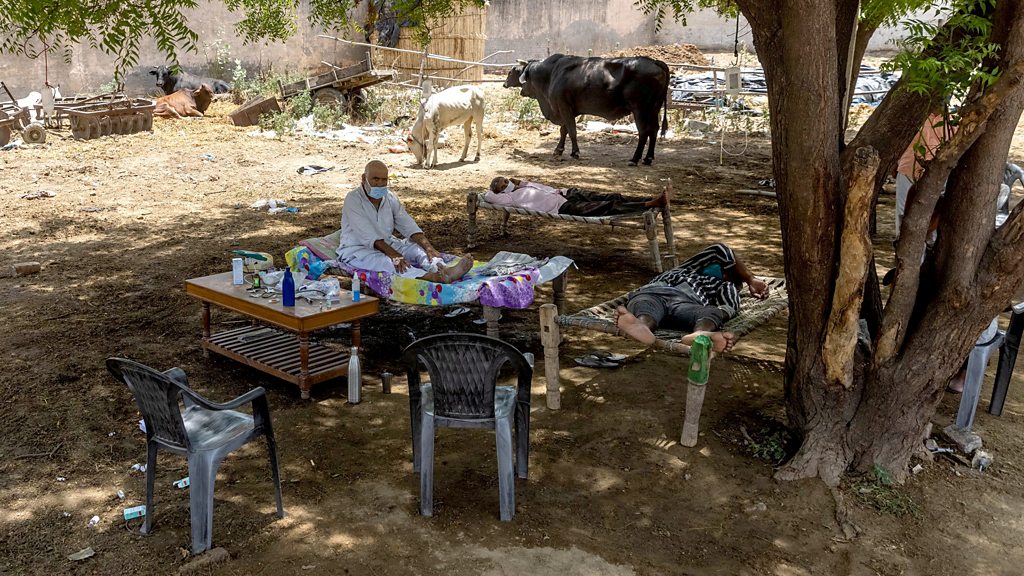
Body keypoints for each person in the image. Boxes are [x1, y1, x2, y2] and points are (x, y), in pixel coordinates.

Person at [614, 244, 769, 353]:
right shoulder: (685, 269)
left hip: (686, 304)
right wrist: (750, 278)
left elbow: (730, 306)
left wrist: (719, 313)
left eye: (725, 271)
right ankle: (641, 326)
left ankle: (700, 335)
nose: (719, 268)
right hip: (654, 293)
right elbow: (720, 249)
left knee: (711, 312)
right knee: (645, 306)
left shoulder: (722, 285)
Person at [338, 160, 473, 282]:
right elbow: (367, 234)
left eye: (384, 180)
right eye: (375, 179)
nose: (379, 184)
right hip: (358, 251)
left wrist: (429, 248)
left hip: (387, 244)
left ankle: (442, 269)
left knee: (416, 249)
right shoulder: (353, 200)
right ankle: (434, 277)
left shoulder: (389, 197)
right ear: (363, 178)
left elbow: (407, 224)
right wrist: (394, 255)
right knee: (389, 264)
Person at [895, 112, 956, 240]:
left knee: (932, 217)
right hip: (908, 169)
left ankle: (926, 253)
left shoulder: (953, 123)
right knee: (903, 213)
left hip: (937, 177)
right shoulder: (915, 117)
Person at [484, 176, 668, 217]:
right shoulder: (508, 198)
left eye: (505, 179)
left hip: (565, 193)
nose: (506, 182)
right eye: (502, 185)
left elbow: (520, 182)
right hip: (562, 208)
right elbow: (488, 196)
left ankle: (646, 198)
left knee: (611, 195)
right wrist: (496, 190)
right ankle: (648, 204)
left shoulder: (523, 185)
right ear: (500, 191)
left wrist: (518, 182)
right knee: (608, 206)